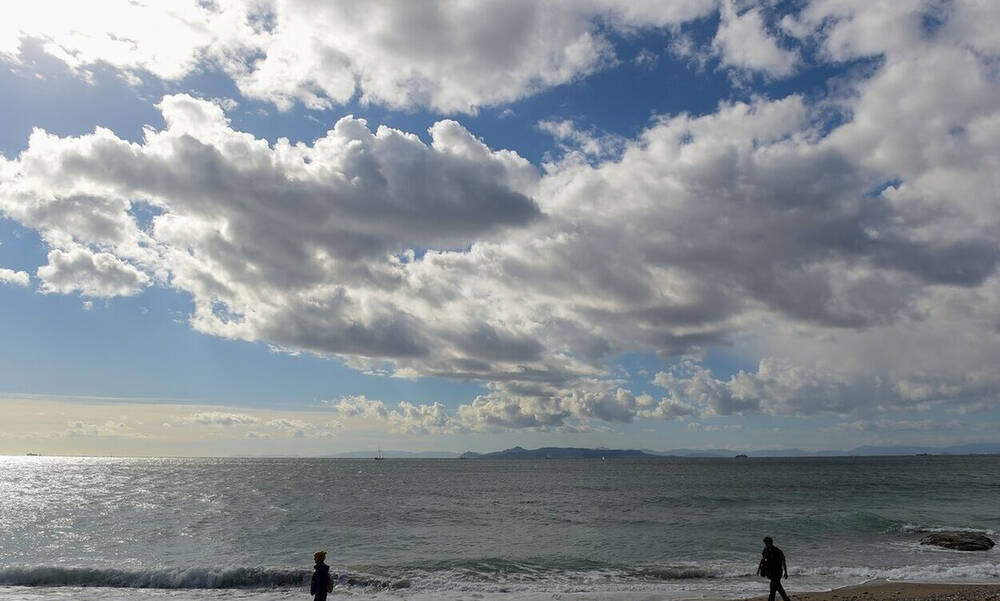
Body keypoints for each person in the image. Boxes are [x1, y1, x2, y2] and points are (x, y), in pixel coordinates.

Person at [757, 536, 790, 601]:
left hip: (777, 572)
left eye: (766, 543)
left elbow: (783, 561)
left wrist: (786, 572)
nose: (765, 544)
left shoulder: (777, 551)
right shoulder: (765, 550)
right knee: (778, 587)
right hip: (771, 572)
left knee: (773, 589)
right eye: (765, 543)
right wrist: (759, 569)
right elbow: (763, 560)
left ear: (770, 543)